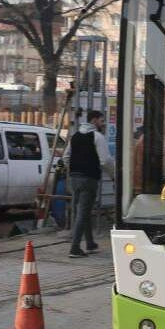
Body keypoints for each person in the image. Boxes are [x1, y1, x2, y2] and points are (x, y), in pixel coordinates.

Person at [63, 110, 115, 258]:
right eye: (101, 120)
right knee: (83, 211)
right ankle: (75, 247)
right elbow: (105, 160)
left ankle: (90, 243)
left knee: (82, 209)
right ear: (94, 121)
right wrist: (114, 175)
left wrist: (74, 169)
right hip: (89, 178)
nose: (103, 123)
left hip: (74, 178)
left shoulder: (75, 136)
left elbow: (66, 157)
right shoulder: (97, 137)